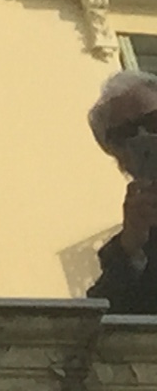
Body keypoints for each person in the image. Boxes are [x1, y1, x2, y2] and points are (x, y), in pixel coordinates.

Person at [90, 69, 157, 311]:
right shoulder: (128, 252)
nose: (144, 137)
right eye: (125, 134)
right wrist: (131, 249)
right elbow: (106, 318)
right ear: (120, 158)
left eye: (153, 121)